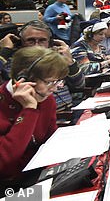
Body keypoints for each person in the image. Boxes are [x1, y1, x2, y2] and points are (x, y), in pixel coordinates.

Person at [0, 47, 68, 183]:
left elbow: (50, 141)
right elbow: (4, 162)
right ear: (23, 79)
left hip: (39, 173)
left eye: (57, 82)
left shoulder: (46, 99)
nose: (54, 89)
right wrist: (29, 109)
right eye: (49, 82)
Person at [0, 20, 85, 112]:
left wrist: (70, 62)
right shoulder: (12, 61)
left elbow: (79, 85)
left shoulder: (57, 58)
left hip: (71, 111)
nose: (37, 45)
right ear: (20, 42)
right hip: (38, 116)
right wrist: (5, 52)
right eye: (30, 40)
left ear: (50, 42)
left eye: (42, 40)